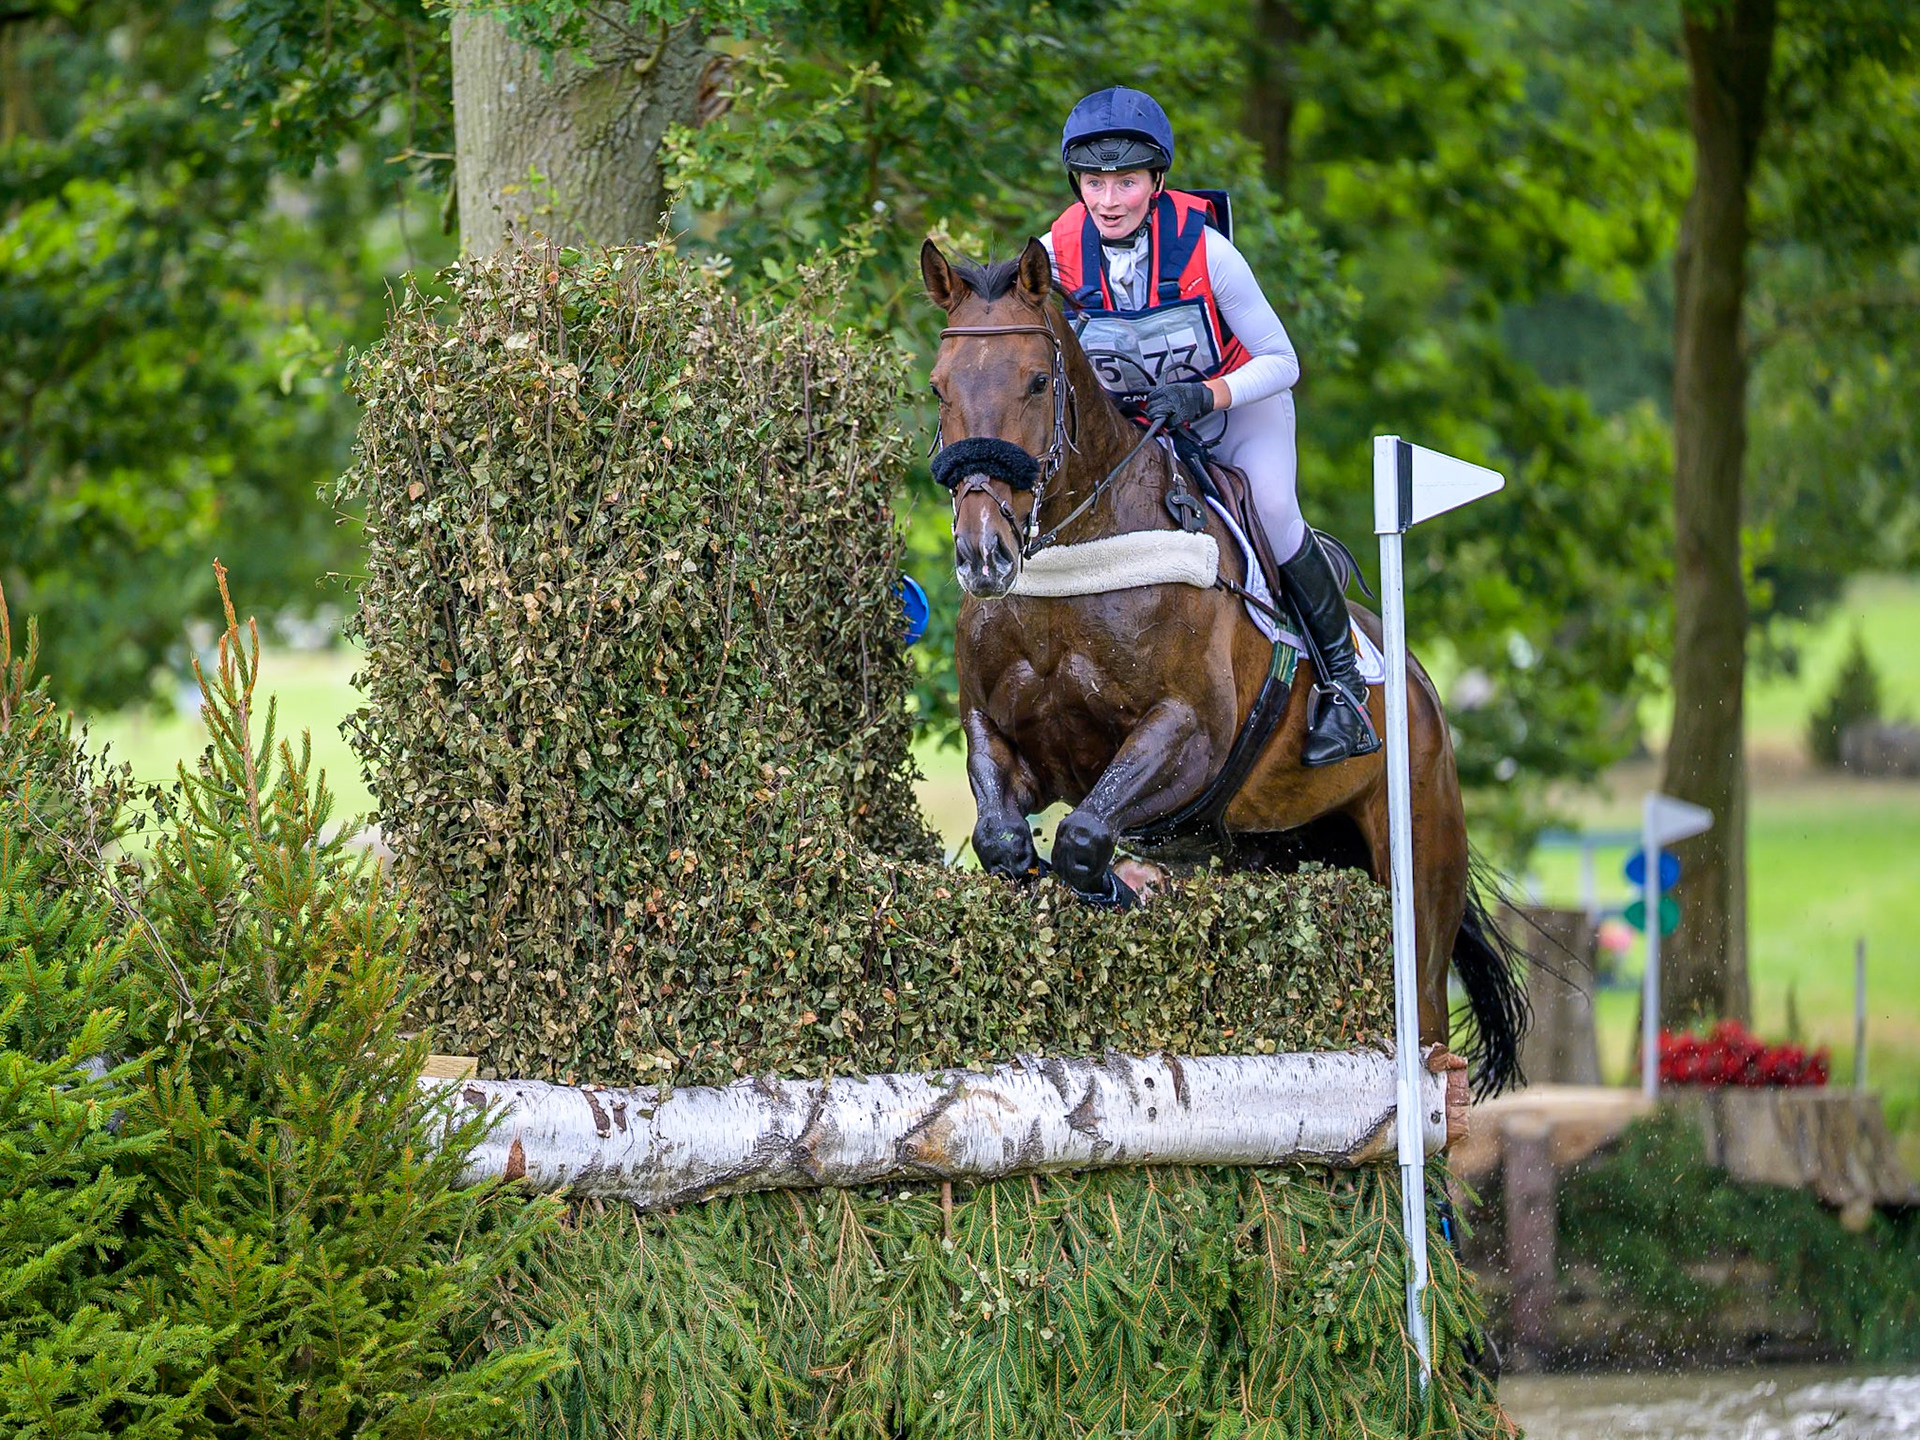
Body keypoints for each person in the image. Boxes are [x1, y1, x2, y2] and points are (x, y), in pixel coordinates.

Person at [1039, 85, 1378, 767]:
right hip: (1137, 430)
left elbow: (1284, 362)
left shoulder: (1209, 253)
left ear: (1157, 182)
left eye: (1126, 182)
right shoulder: (1054, 254)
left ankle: (1345, 689)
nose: (1108, 200)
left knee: (1276, 513)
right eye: (1094, 182)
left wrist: (1205, 396)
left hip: (1238, 409)